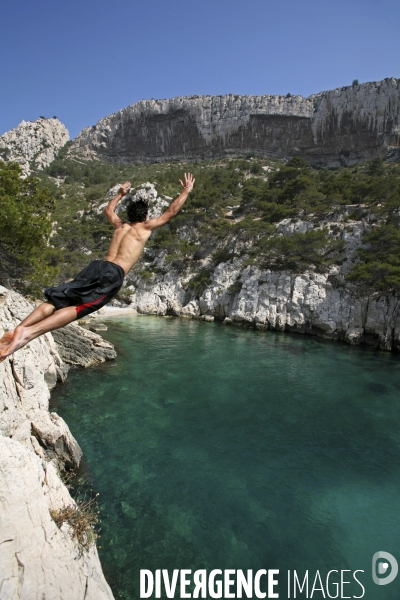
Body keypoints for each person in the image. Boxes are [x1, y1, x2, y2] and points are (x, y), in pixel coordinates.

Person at [0, 172, 195, 361]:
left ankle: (19, 327)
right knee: (79, 308)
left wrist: (119, 194)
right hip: (113, 273)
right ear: (144, 216)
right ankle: (27, 333)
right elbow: (171, 212)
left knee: (57, 300)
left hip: (96, 266)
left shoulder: (120, 226)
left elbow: (108, 211)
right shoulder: (143, 228)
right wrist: (186, 191)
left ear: (129, 215)